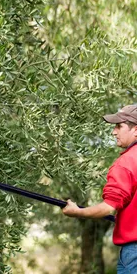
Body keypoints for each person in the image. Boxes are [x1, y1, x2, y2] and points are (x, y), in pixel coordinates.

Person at [62, 104, 137, 273]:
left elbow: (109, 207)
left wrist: (77, 212)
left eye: (119, 126)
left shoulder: (127, 163)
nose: (114, 132)